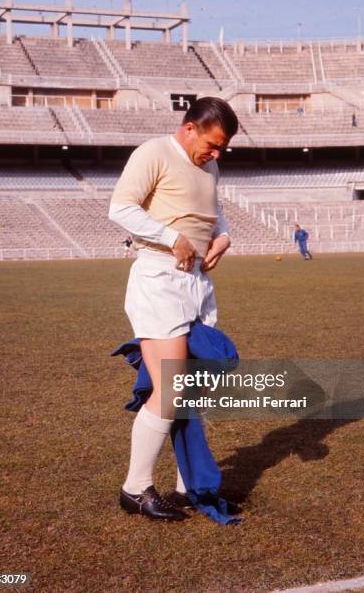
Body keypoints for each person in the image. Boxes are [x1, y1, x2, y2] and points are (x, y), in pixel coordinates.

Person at [108, 97, 239, 521]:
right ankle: (134, 488)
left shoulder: (210, 167)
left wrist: (222, 236)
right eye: (212, 144)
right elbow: (121, 207)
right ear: (189, 128)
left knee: (190, 388)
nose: (216, 154)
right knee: (170, 388)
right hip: (159, 279)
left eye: (222, 149)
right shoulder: (153, 152)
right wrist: (172, 238)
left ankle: (189, 486)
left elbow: (211, 214)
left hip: (196, 284)